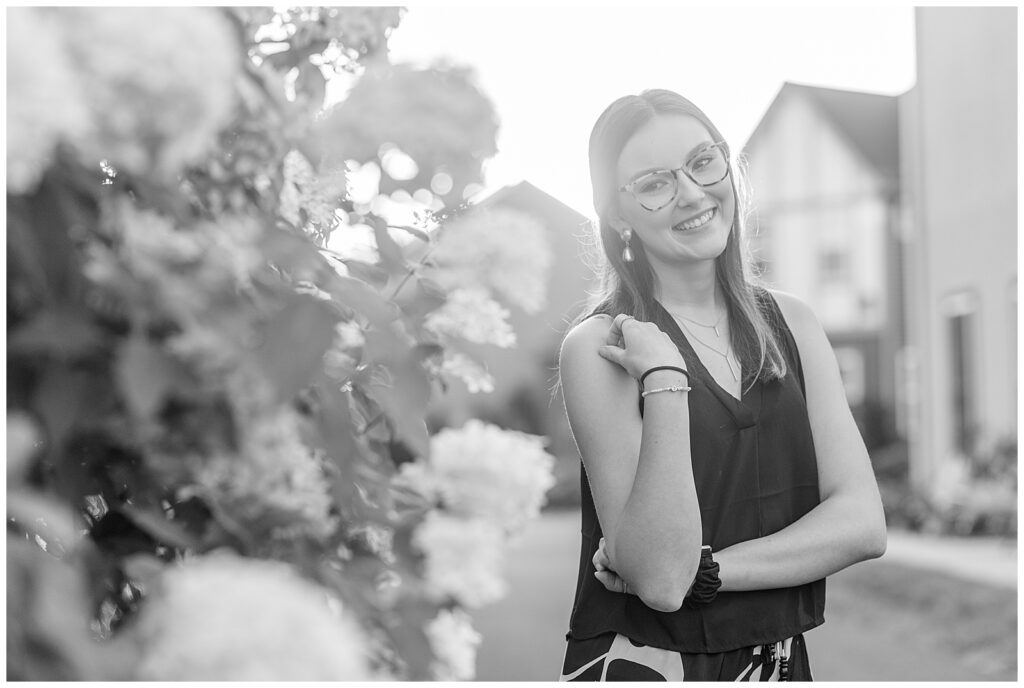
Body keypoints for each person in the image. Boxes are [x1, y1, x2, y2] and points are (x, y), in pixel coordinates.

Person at [556, 89, 887, 681]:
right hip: (649, 662)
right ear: (616, 214)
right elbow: (659, 578)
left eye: (703, 161)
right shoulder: (600, 348)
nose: (692, 192)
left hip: (776, 664)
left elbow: (862, 523)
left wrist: (710, 571)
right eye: (655, 183)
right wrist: (663, 378)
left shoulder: (792, 325)